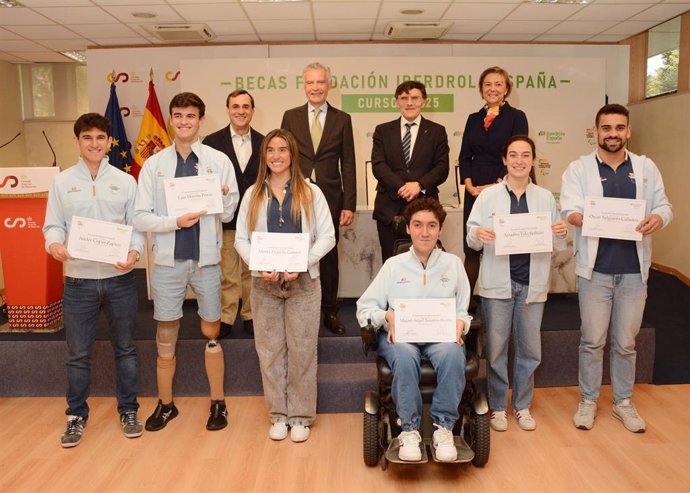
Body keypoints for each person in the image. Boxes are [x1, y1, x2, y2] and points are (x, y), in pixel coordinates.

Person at [560, 103, 672, 433]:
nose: (613, 134)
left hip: (634, 272)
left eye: (619, 128)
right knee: (592, 341)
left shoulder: (646, 167)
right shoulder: (579, 169)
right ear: (596, 132)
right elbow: (568, 206)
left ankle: (623, 402)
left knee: (626, 342)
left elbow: (664, 205)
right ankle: (588, 401)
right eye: (606, 128)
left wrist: (658, 218)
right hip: (596, 270)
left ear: (628, 131)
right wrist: (576, 217)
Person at [134, 92, 239, 432]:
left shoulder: (217, 160)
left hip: (206, 260)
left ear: (200, 120)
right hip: (168, 262)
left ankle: (217, 403)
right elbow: (141, 217)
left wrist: (220, 196)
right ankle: (166, 406)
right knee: (167, 332)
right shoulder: (154, 165)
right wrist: (173, 223)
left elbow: (230, 211)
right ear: (171, 120)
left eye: (190, 116)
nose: (183, 122)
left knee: (212, 330)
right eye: (177, 116)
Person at [43, 112, 145, 448]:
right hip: (78, 282)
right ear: (77, 141)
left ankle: (128, 410)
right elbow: (53, 225)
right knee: (77, 354)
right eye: (87, 138)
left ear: (108, 141)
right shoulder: (61, 182)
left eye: (100, 138)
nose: (94, 144)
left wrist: (134, 253)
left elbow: (136, 229)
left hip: (120, 279)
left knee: (126, 350)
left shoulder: (125, 181)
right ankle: (75, 416)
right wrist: (54, 244)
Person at [235, 128, 335, 443]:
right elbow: (241, 239)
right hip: (264, 285)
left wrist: (302, 262)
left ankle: (301, 417)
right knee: (270, 351)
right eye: (270, 151)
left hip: (304, 283)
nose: (276, 156)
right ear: (264, 156)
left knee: (303, 350)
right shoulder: (253, 194)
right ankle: (278, 415)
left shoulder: (311, 192)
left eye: (282, 150)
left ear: (292, 154)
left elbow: (328, 237)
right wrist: (258, 264)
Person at [356, 198, 472, 463]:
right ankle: (409, 431)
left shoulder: (453, 264)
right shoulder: (393, 266)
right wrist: (386, 315)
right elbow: (364, 308)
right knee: (405, 357)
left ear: (440, 229)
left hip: (439, 336)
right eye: (418, 225)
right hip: (401, 337)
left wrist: (460, 323)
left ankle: (444, 428)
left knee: (454, 353)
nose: (425, 232)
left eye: (432, 226)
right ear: (408, 228)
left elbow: (463, 310)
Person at [466, 135, 567, 432]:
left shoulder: (545, 198)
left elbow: (558, 244)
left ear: (533, 160)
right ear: (504, 159)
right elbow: (471, 238)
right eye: (513, 155)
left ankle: (522, 406)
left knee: (530, 350)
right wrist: (479, 234)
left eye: (525, 155)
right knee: (496, 349)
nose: (519, 161)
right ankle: (498, 406)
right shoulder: (488, 197)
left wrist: (560, 231)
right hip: (498, 285)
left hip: (530, 285)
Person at [281, 62, 356, 335]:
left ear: (329, 85)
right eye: (310, 83)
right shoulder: (290, 116)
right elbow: (282, 155)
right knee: (295, 249)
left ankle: (330, 311)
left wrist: (349, 203)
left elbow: (348, 163)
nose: (315, 87)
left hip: (332, 196)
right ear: (304, 86)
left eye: (320, 82)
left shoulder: (342, 119)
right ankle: (297, 306)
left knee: (328, 254)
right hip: (296, 193)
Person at [459, 66, 528, 305]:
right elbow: (464, 156)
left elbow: (516, 155)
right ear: (481, 90)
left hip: (503, 187)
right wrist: (468, 183)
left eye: (498, 84)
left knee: (499, 245)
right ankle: (465, 306)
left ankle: (500, 301)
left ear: (506, 89)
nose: (493, 89)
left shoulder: (516, 117)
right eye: (487, 84)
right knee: (472, 248)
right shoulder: (472, 119)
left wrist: (495, 184)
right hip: (474, 190)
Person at [204, 89, 264, 337]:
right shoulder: (211, 142)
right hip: (226, 218)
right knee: (227, 271)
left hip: (256, 218)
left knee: (253, 271)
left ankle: (251, 315)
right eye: (235, 106)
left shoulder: (264, 141)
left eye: (246, 106)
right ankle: (227, 316)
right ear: (228, 110)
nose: (241, 111)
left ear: (252, 110)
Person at [371, 80, 450, 263]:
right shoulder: (382, 131)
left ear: (424, 101)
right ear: (397, 101)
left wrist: (419, 185)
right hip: (389, 208)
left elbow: (442, 167)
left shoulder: (437, 132)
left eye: (415, 98)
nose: (409, 103)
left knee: (426, 262)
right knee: (390, 262)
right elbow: (378, 165)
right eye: (404, 98)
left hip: (425, 207)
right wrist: (401, 187)